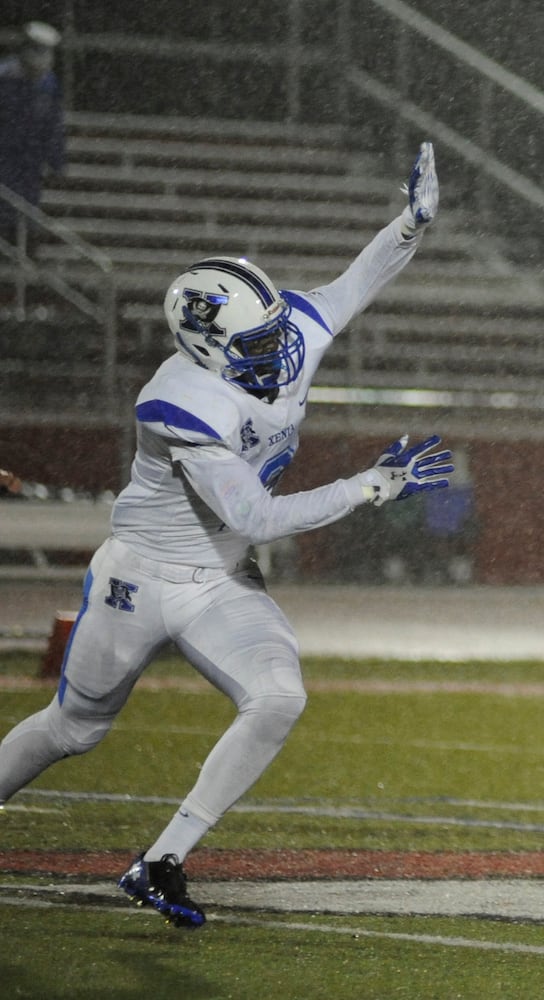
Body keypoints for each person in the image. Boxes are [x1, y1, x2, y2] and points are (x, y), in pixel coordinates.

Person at [0, 142, 452, 929]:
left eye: (275, 332)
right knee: (73, 728)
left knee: (278, 696)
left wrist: (410, 225)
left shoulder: (279, 338)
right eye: (255, 345)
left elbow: (353, 286)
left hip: (221, 580)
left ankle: (161, 860)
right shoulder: (181, 400)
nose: (279, 353)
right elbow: (258, 517)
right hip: (141, 579)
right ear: (205, 347)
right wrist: (368, 486)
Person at [0, 21, 66, 245]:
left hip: (29, 159)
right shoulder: (5, 77)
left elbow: (52, 125)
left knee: (25, 209)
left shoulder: (48, 85)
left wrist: (56, 159)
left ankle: (24, 247)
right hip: (5, 153)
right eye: (38, 50)